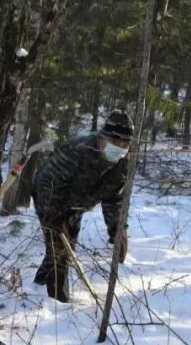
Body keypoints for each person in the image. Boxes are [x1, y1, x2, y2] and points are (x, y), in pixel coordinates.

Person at [33, 110, 133, 302]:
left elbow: (114, 198)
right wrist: (53, 217)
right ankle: (57, 303)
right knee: (60, 248)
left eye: (124, 144)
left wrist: (117, 229)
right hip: (50, 197)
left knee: (68, 243)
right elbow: (47, 181)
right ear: (102, 137)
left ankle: (39, 283)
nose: (119, 148)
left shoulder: (122, 163)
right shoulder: (78, 150)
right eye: (115, 142)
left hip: (77, 204)